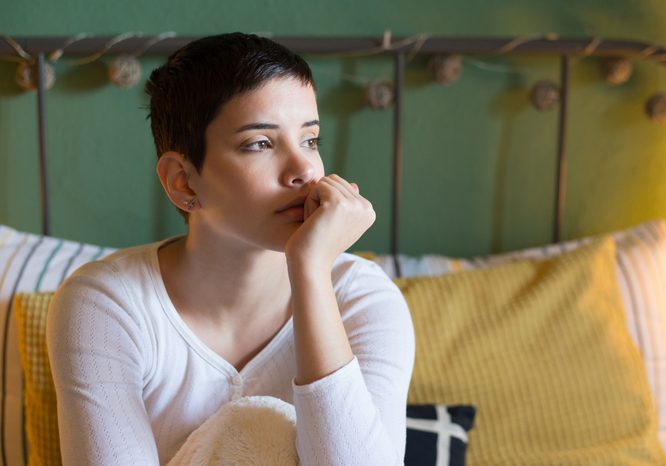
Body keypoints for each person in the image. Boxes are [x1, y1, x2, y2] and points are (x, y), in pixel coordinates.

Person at [46, 32, 415, 465]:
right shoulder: (106, 305)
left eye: (310, 140)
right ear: (183, 181)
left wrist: (311, 272)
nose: (304, 171)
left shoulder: (364, 298)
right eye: (259, 143)